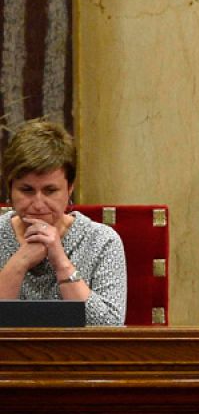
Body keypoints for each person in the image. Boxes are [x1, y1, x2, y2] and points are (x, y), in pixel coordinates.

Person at [0, 119, 126, 325]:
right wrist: (19, 263)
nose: (38, 204)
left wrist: (61, 262)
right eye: (27, 190)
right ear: (10, 188)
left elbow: (109, 328)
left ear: (69, 189)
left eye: (50, 191)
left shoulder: (102, 241)